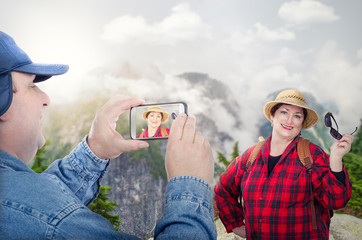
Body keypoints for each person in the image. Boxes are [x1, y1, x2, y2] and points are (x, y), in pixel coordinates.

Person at [0, 31, 216, 239]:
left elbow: (35, 205)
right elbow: (46, 218)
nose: (46, 98)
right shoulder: (55, 225)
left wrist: (94, 150)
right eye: (32, 85)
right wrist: (190, 183)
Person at [214, 89, 353, 239]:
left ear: (302, 123)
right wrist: (235, 224)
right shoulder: (250, 156)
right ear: (273, 116)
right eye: (284, 112)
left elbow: (337, 200)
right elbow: (223, 189)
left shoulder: (312, 155)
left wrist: (336, 159)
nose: (289, 120)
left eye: (297, 116)